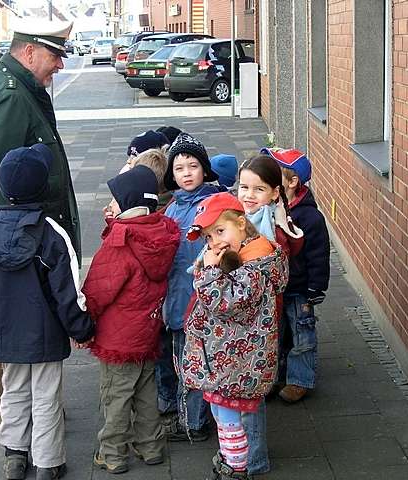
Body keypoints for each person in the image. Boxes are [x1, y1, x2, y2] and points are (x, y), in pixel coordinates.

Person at [0, 21, 80, 425]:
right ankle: (14, 424)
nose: (59, 65)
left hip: (15, 234)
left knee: (11, 322)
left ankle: (24, 420)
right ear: (28, 53)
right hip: (15, 239)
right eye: (54, 55)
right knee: (11, 327)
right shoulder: (12, 96)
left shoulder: (20, 86)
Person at [0, 144, 94, 480]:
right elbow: (67, 294)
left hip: (2, 330)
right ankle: (49, 462)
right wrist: (82, 329)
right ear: (42, 187)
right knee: (46, 396)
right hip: (44, 335)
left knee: (13, 390)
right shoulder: (52, 235)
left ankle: (14, 454)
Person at [181, 193, 289, 480]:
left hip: (235, 366)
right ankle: (231, 463)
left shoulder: (253, 266)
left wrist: (208, 272)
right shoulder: (240, 260)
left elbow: (226, 303)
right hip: (226, 361)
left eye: (220, 231)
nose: (214, 242)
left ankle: (236, 470)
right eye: (207, 237)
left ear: (241, 224)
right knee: (223, 419)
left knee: (230, 425)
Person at [82, 165, 180, 474]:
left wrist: (82, 322)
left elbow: (97, 289)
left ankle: (112, 452)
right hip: (147, 331)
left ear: (127, 205)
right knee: (146, 391)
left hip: (118, 337)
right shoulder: (159, 233)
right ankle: (150, 446)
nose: (108, 206)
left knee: (116, 396)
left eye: (113, 201)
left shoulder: (121, 242)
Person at [236, 153, 304, 475]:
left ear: (275, 193)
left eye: (258, 189)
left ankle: (254, 460)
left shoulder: (273, 231)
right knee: (239, 392)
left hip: (260, 323)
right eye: (243, 187)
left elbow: (263, 280)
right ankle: (239, 453)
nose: (248, 195)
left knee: (251, 396)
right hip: (238, 324)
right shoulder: (242, 220)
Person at [160, 132, 221, 441]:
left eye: (193, 166)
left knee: (194, 367)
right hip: (176, 300)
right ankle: (192, 417)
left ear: (205, 169)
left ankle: (193, 424)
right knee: (183, 364)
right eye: (180, 168)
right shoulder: (172, 207)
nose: (186, 173)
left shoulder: (211, 205)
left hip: (200, 302)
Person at [261, 147, 330, 403]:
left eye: (274, 174)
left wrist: (316, 287)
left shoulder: (310, 217)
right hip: (274, 288)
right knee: (275, 335)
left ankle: (300, 379)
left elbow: (319, 255)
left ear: (292, 182)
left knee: (302, 335)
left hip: (300, 288)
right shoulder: (267, 209)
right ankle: (275, 376)